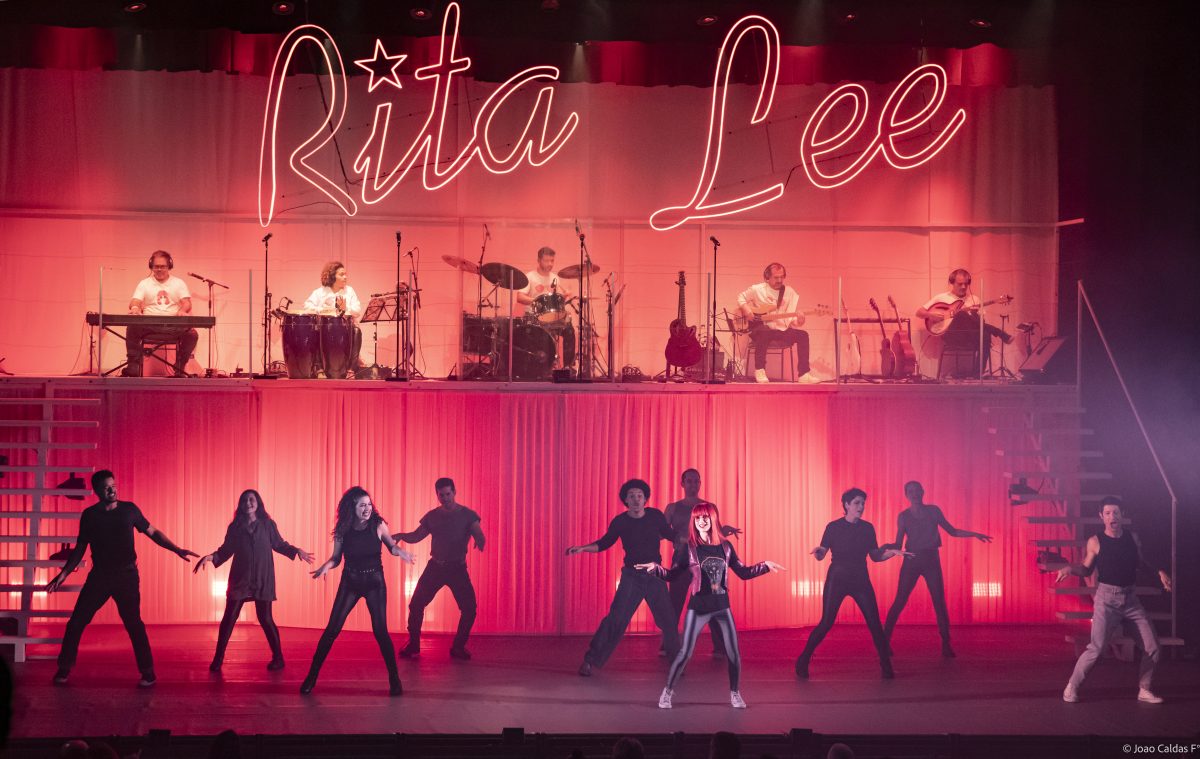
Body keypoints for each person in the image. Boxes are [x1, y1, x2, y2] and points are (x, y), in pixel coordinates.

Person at [46, 470, 198, 687]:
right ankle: (64, 668)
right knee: (76, 622)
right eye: (106, 487)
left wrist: (176, 549)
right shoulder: (90, 515)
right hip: (100, 576)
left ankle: (148, 672)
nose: (112, 490)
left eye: (114, 485)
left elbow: (153, 532)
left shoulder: (129, 510)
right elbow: (80, 548)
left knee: (134, 624)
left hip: (126, 576)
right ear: (97, 491)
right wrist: (63, 574)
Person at [639, 502, 784, 709]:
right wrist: (656, 569)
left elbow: (743, 572)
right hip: (698, 608)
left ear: (713, 519)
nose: (702, 521)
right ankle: (667, 692)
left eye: (705, 517)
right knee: (685, 653)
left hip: (722, 607)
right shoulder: (689, 549)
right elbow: (672, 575)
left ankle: (735, 694)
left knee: (733, 654)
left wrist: (765, 566)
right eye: (698, 518)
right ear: (693, 521)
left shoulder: (726, 547)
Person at [1057, 496, 1171, 704]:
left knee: (1153, 646)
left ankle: (1144, 689)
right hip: (1107, 600)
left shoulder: (1131, 538)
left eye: (1116, 513)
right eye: (1108, 513)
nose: (1112, 517)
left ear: (1122, 515)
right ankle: (1072, 686)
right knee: (1097, 649)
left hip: (1130, 600)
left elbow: (1140, 563)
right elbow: (1086, 569)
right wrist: (1069, 569)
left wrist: (1159, 572)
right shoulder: (1095, 541)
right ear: (1101, 516)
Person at [301, 486, 414, 696]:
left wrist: (400, 551)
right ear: (352, 507)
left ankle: (394, 679)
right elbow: (336, 558)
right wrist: (326, 566)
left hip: (374, 583)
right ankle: (311, 677)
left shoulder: (378, 524)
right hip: (350, 582)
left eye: (369, 504)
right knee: (332, 630)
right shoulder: (343, 529)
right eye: (362, 505)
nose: (367, 508)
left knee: (380, 631)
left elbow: (391, 546)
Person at [566, 478, 680, 677]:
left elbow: (671, 535)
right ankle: (590, 661)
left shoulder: (655, 516)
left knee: (668, 620)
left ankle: (677, 662)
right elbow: (604, 543)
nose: (636, 499)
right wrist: (583, 548)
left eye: (639, 496)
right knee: (616, 619)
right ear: (625, 500)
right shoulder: (620, 522)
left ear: (645, 499)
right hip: (632, 577)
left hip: (655, 575)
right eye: (631, 496)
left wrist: (696, 538)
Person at [193, 489, 315, 671]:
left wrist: (296, 550)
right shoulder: (235, 527)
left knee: (265, 618)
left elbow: (279, 544)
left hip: (262, 577)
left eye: (251, 500)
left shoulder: (267, 524)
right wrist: (210, 557)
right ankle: (218, 659)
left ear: (258, 503)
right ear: (240, 505)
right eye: (244, 500)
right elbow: (226, 550)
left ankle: (278, 658)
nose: (248, 503)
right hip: (240, 578)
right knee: (229, 618)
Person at [795, 488, 909, 680]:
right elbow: (822, 553)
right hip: (838, 578)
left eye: (863, 503)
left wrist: (891, 553)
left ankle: (887, 668)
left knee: (874, 624)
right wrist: (818, 552)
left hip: (860, 579)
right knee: (827, 622)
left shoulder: (867, 528)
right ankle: (803, 660)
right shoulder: (833, 527)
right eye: (857, 503)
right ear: (846, 505)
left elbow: (875, 556)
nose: (861, 507)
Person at [882, 481, 992, 658]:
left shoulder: (933, 511)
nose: (915, 494)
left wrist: (974, 534)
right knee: (900, 600)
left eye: (917, 490)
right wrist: (884, 548)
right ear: (906, 495)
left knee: (939, 602)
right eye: (911, 491)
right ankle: (884, 642)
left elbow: (952, 531)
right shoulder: (903, 516)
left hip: (931, 560)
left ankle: (946, 644)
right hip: (911, 560)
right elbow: (898, 544)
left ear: (923, 492)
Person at [394, 478, 485, 660]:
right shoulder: (433, 516)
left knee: (469, 608)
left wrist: (480, 540)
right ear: (437, 495)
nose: (445, 498)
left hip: (457, 569)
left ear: (454, 492)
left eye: (448, 494)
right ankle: (413, 646)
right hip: (436, 567)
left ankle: (458, 647)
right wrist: (401, 536)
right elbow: (417, 536)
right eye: (441, 495)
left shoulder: (468, 515)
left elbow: (478, 532)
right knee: (416, 605)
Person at [662, 469, 742, 657]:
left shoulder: (709, 506)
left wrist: (725, 531)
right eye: (689, 481)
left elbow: (716, 534)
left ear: (700, 483)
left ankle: (720, 647)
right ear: (682, 484)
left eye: (696, 481)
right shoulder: (673, 508)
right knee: (674, 602)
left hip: (706, 560)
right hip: (682, 559)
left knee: (712, 602)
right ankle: (668, 644)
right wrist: (675, 538)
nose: (693, 485)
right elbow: (663, 532)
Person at [915, 268, 1012, 376]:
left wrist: (974, 314)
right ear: (952, 283)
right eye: (960, 284)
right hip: (952, 335)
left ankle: (977, 374)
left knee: (985, 335)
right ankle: (998, 332)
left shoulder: (974, 299)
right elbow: (919, 312)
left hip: (970, 336)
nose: (963, 287)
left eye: (966, 284)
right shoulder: (942, 297)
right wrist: (931, 315)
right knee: (961, 314)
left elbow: (981, 322)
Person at [736, 263, 818, 384]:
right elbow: (740, 297)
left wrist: (800, 320)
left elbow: (792, 321)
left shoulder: (789, 292)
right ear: (767, 277)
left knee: (803, 335)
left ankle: (804, 374)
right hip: (759, 328)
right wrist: (747, 310)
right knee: (764, 331)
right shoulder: (757, 289)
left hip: (780, 330)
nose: (779, 280)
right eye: (776, 277)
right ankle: (760, 370)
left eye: (782, 277)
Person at [123, 250, 199, 377]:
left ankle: (179, 367)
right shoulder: (144, 283)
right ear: (151, 267)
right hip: (149, 326)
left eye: (162, 266)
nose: (159, 269)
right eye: (156, 266)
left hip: (172, 326)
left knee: (191, 334)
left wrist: (182, 310)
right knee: (132, 327)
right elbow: (135, 301)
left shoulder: (178, 283)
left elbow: (186, 303)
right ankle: (133, 366)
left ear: (169, 266)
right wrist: (135, 307)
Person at [516, 245, 576, 367]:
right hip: (534, 318)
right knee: (540, 340)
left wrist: (564, 296)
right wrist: (536, 301)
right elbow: (520, 297)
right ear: (539, 260)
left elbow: (557, 300)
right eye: (546, 260)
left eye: (552, 261)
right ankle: (541, 367)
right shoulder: (530, 276)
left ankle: (568, 367)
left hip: (552, 319)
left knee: (569, 330)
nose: (550, 264)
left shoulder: (555, 278)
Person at [302, 260, 364, 378]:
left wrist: (345, 309)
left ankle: (351, 369)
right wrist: (322, 310)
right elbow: (307, 306)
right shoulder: (320, 292)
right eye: (341, 274)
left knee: (357, 331)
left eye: (345, 274)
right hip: (325, 328)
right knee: (314, 330)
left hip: (346, 329)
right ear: (332, 276)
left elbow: (357, 310)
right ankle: (319, 368)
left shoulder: (349, 291)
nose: (345, 277)